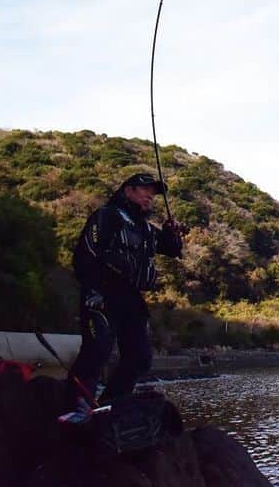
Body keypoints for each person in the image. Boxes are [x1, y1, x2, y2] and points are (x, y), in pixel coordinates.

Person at [60, 173, 187, 423]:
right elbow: (84, 255)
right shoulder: (107, 216)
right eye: (144, 190)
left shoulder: (147, 229)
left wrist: (173, 233)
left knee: (140, 357)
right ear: (128, 191)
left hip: (131, 298)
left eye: (153, 192)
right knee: (97, 349)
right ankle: (75, 404)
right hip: (102, 292)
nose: (150, 195)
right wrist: (92, 290)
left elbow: (173, 250)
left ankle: (109, 404)